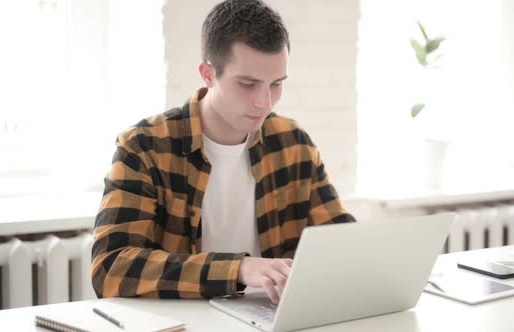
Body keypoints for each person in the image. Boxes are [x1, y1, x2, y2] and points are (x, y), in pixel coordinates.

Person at [91, 0, 355, 305]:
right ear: (208, 74)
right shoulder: (143, 147)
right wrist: (239, 268)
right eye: (248, 84)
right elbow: (109, 269)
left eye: (276, 84)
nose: (265, 103)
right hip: (184, 322)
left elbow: (341, 243)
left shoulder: (293, 144)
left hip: (268, 320)